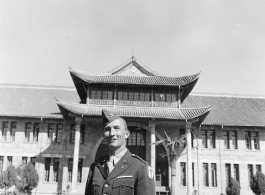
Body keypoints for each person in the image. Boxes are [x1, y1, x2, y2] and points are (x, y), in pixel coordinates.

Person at [85, 109, 156, 195]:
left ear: (126, 134)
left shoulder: (140, 167)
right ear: (104, 135)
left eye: (116, 128)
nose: (112, 133)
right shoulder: (95, 167)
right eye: (107, 129)